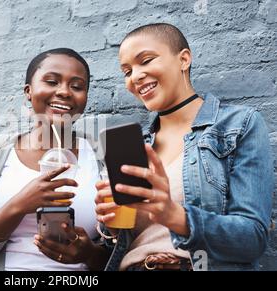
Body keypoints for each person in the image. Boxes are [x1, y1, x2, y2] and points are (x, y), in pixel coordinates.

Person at [95, 23, 274, 271]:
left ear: (184, 59)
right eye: (127, 72)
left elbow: (252, 238)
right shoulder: (136, 149)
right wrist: (112, 225)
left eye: (145, 60)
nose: (135, 77)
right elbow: (120, 245)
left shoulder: (239, 125)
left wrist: (175, 216)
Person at [0, 48, 109, 271]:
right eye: (51, 81)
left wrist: (90, 255)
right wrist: (18, 206)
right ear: (29, 91)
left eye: (76, 86)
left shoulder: (102, 156)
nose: (65, 92)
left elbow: (125, 249)